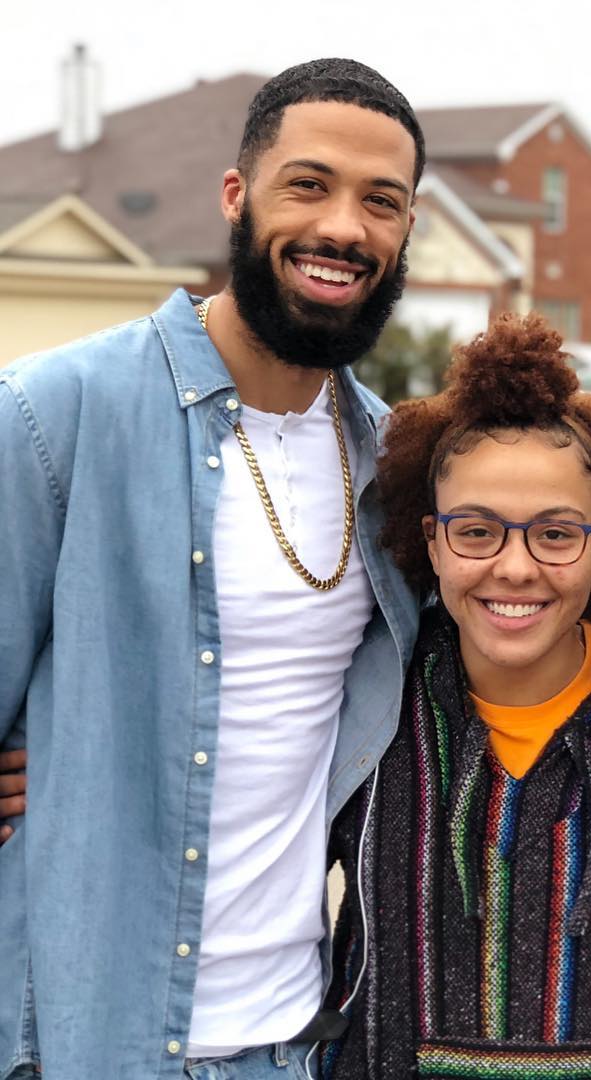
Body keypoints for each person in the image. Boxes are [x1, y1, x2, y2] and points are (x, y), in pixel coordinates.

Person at [0, 59, 422, 1079]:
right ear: (237, 195)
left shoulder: (396, 462)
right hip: (81, 1038)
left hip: (292, 1042)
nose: (344, 228)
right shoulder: (51, 415)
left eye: (382, 202)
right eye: (308, 184)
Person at [317, 314, 591, 1079]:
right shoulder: (365, 695)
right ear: (429, 540)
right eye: (476, 532)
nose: (516, 567)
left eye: (556, 534)